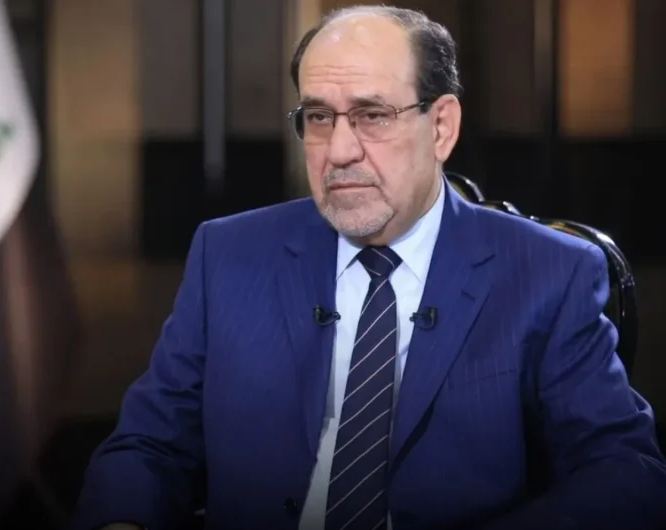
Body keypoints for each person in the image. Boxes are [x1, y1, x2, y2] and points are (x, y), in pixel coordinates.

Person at [70, 5, 666, 530]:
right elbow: (148, 445)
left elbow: (623, 471)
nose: (339, 150)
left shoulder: (549, 272)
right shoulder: (228, 254)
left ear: (441, 126)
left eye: (372, 115)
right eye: (318, 117)